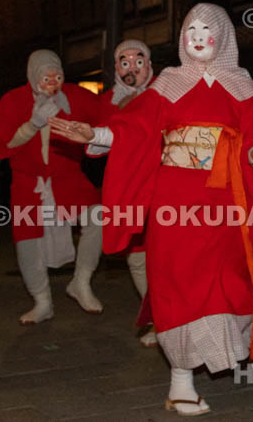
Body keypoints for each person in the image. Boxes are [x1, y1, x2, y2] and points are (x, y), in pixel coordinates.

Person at [50, 3, 253, 417]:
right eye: (190, 29)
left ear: (223, 36)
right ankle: (180, 385)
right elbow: (134, 129)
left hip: (226, 202)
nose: (197, 37)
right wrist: (97, 134)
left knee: (234, 278)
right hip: (173, 202)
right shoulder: (168, 83)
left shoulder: (243, 85)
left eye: (206, 29)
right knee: (174, 282)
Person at [0, 50, 105, 324]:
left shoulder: (76, 96)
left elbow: (110, 114)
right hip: (28, 182)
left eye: (57, 76)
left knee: (98, 217)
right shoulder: (12, 100)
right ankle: (42, 300)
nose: (52, 82)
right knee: (27, 242)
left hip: (68, 176)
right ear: (33, 76)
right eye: (46, 77)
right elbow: (6, 145)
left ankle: (81, 281)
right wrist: (32, 124)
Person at [98, 39, 157, 347]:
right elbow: (94, 147)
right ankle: (159, 319)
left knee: (168, 253)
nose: (132, 67)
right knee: (136, 257)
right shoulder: (109, 100)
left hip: (163, 184)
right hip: (128, 186)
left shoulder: (166, 90)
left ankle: (181, 317)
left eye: (139, 60)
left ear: (149, 64)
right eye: (124, 62)